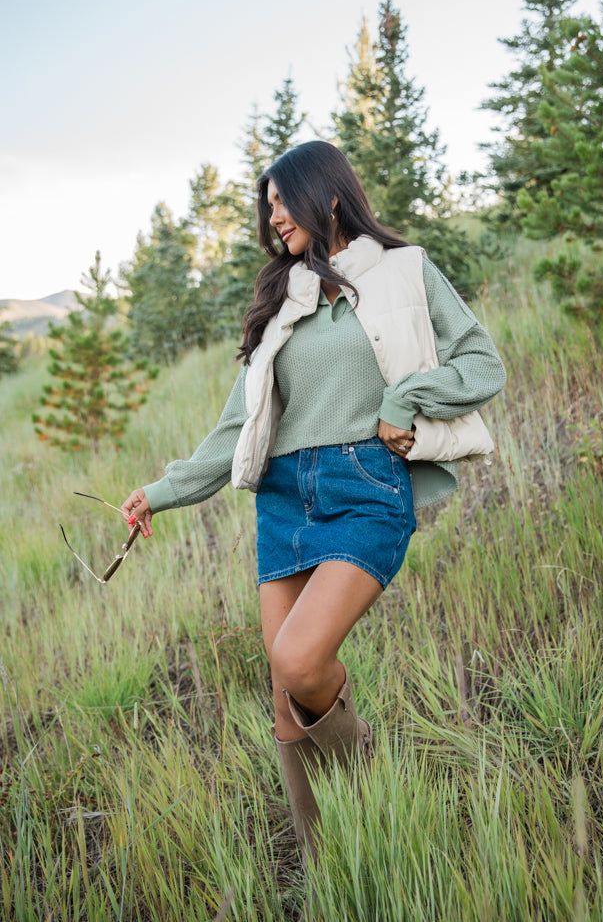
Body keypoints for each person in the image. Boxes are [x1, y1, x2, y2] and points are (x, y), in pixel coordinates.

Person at [121, 140, 506, 871]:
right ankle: (323, 859)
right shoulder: (283, 298)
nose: (273, 219)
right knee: (281, 687)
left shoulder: (405, 270)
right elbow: (240, 423)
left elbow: (484, 364)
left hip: (367, 487)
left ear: (327, 197)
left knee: (301, 658)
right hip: (283, 499)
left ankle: (368, 779)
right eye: (265, 209)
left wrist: (407, 398)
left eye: (281, 202)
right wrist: (162, 491)